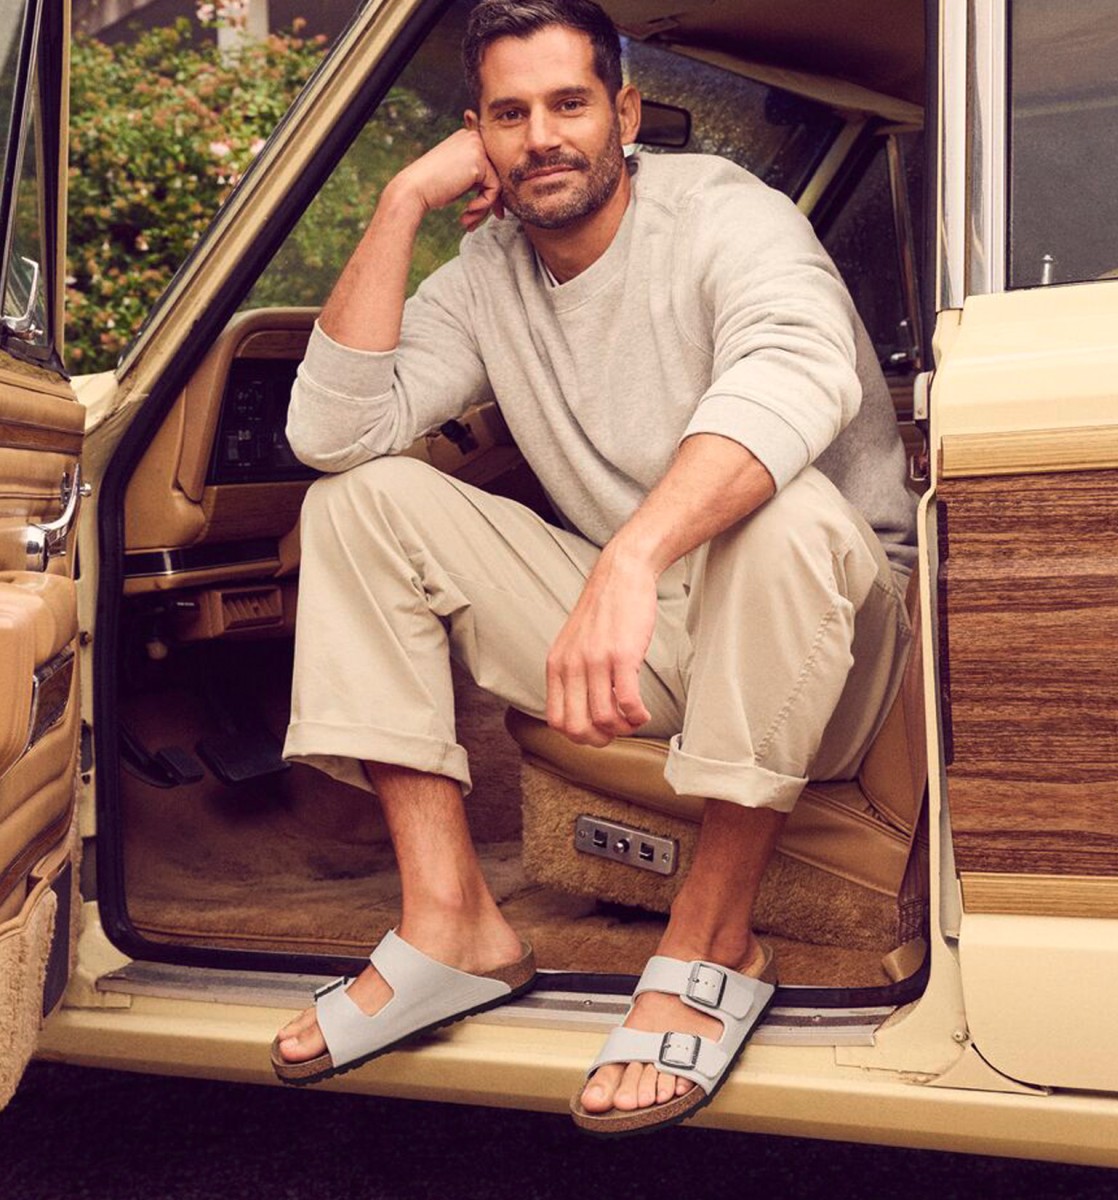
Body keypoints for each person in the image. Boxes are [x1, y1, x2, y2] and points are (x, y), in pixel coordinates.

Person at [270, 0, 917, 1135]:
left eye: (569, 104)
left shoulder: (726, 214)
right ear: (477, 137)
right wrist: (401, 200)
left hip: (841, 640)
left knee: (787, 515)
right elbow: (335, 432)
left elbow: (795, 372)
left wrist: (630, 555)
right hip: (660, 635)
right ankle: (450, 922)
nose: (543, 137)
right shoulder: (487, 274)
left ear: (623, 112)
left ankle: (713, 936)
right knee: (357, 505)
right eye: (509, 114)